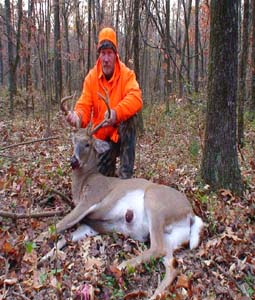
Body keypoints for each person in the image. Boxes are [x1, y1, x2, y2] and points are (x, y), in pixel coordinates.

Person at [66, 27, 143, 179]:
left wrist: (116, 113)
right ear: (99, 55)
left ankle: (125, 176)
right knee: (101, 179)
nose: (106, 58)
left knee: (129, 120)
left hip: (121, 136)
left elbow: (136, 98)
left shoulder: (127, 75)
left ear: (115, 54)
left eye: (109, 53)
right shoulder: (91, 78)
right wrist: (77, 116)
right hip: (101, 140)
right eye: (103, 54)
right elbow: (84, 105)